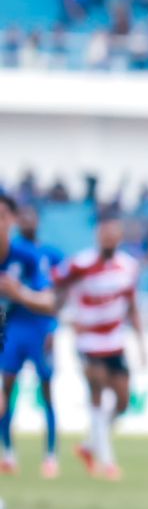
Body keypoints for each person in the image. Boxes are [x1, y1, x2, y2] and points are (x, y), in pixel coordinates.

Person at [52, 211, 145, 482]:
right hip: (89, 342)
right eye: (105, 232)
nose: (109, 237)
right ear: (98, 235)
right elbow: (54, 287)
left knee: (123, 402)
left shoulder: (128, 267)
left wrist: (142, 345)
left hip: (115, 342)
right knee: (97, 392)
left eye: (114, 233)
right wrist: (68, 318)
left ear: (119, 236)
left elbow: (133, 307)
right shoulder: (80, 264)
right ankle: (108, 462)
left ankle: (89, 445)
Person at [0, 197, 62, 478]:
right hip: (10, 330)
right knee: (5, 393)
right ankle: (8, 453)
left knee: (46, 393)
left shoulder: (31, 256)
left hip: (38, 328)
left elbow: (51, 300)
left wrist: (19, 294)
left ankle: (50, 456)